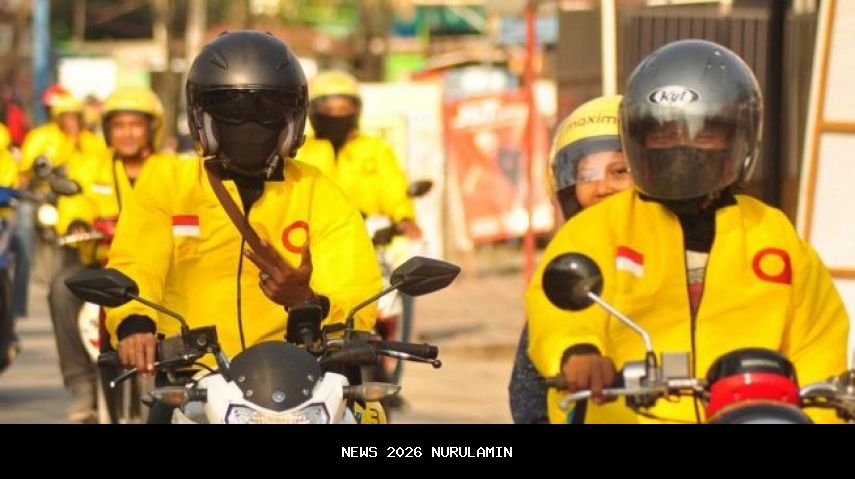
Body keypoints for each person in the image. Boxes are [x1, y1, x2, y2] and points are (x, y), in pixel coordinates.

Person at [525, 39, 849, 424]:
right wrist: (577, 351)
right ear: (637, 140)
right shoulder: (598, 228)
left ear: (738, 139)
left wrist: (821, 416)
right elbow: (557, 305)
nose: (681, 148)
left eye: (704, 134)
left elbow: (817, 341)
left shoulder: (774, 235)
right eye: (662, 136)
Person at [103, 32, 382, 423]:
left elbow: (356, 289)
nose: (249, 124)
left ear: (292, 119)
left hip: (304, 388)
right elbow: (137, 264)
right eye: (232, 111)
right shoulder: (169, 186)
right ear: (201, 119)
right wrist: (134, 323)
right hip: (193, 388)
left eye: (267, 110)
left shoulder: (317, 190)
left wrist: (308, 301)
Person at [48, 86, 169, 422]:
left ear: (152, 128)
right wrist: (74, 221)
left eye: (135, 125)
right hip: (99, 263)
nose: (127, 133)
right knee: (60, 288)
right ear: (107, 131)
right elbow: (76, 198)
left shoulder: (170, 169)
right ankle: (81, 385)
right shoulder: (90, 166)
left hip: (154, 270)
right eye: (119, 126)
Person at [509, 95, 631, 424]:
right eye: (587, 174)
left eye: (619, 171)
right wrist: (576, 354)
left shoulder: (680, 247)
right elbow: (529, 398)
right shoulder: (567, 257)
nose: (603, 186)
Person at [295, 70, 420, 239]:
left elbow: (393, 188)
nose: (337, 115)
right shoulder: (300, 149)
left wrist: (404, 217)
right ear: (313, 111)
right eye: (329, 110)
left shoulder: (375, 148)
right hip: (310, 239)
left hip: (366, 239)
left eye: (343, 109)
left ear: (356, 110)